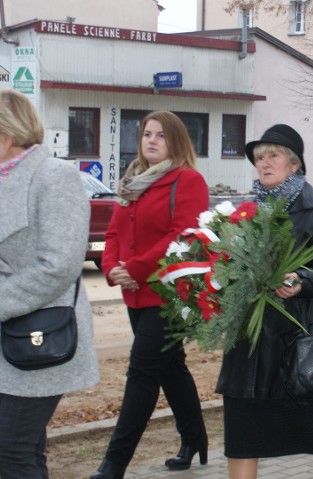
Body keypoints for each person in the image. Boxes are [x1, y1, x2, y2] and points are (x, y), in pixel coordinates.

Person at [215, 125, 313, 479]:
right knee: (242, 432)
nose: (264, 163)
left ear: (295, 164)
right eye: (259, 157)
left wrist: (300, 281)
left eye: (273, 155)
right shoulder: (246, 210)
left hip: (296, 341)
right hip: (250, 343)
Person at [91, 111, 209, 479]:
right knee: (171, 368)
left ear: (175, 141)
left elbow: (182, 236)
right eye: (146, 134)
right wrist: (111, 267)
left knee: (141, 373)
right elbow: (112, 234)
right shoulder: (133, 182)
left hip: (170, 294)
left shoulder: (188, 180)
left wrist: (138, 268)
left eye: (160, 135)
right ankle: (195, 438)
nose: (151, 140)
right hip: (134, 293)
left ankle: (115, 463)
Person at [0, 89, 99, 478]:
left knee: (11, 449)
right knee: (21, 449)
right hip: (11, 336)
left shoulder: (53, 177)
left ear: (6, 135)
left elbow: (59, 265)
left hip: (39, 333)